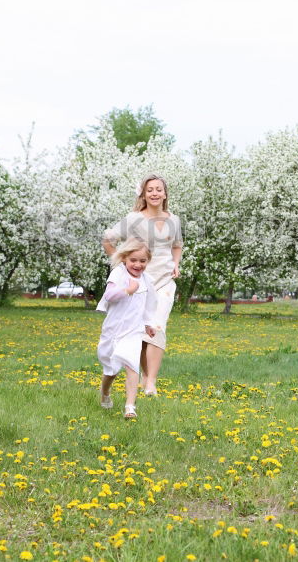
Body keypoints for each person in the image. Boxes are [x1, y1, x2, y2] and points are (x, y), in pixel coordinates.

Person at [102, 174, 182, 396]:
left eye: (158, 189)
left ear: (165, 193)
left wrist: (176, 263)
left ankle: (151, 382)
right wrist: (122, 267)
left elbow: (177, 245)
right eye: (150, 190)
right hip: (140, 283)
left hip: (165, 281)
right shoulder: (133, 219)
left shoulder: (173, 220)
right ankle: (145, 376)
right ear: (144, 194)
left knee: (157, 327)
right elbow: (108, 240)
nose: (154, 193)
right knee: (141, 330)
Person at [95, 238, 157, 419]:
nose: (138, 264)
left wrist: (148, 324)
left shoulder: (147, 280)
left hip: (133, 331)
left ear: (148, 261)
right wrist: (128, 290)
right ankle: (105, 393)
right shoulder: (118, 274)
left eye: (142, 261)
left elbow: (146, 305)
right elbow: (109, 296)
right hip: (113, 331)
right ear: (124, 259)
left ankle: (130, 407)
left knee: (132, 365)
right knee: (111, 371)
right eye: (133, 260)